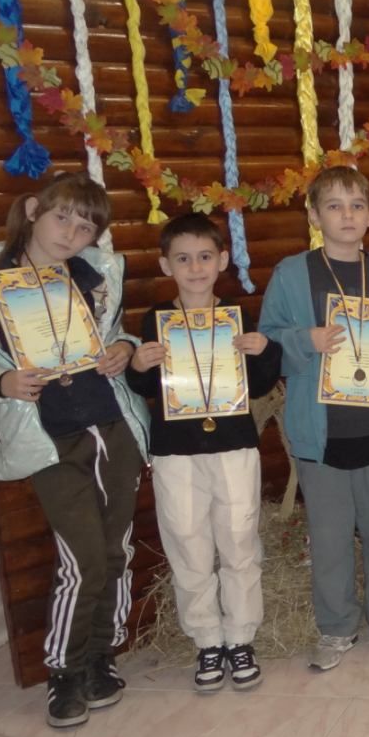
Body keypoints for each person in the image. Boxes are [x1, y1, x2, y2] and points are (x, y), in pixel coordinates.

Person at [0, 172, 148, 728]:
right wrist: (0, 381)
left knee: (115, 550)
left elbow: (118, 334)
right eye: (62, 218)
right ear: (33, 210)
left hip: (112, 429)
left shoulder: (95, 274)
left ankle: (101, 656)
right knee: (83, 558)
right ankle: (65, 669)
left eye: (86, 228)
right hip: (49, 439)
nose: (71, 234)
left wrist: (123, 348)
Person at [260, 166, 369, 671]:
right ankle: (335, 627)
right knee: (331, 541)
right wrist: (304, 340)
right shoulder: (293, 274)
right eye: (334, 206)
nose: (347, 215)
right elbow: (268, 342)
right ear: (314, 216)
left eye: (356, 205)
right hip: (322, 433)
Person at [125, 213, 283, 692]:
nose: (195, 268)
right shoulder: (156, 320)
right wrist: (138, 365)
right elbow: (144, 387)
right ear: (165, 265)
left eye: (205, 257)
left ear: (223, 260)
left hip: (233, 445)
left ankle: (240, 637)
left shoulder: (237, 316)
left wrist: (263, 350)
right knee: (187, 541)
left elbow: (259, 385)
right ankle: (207, 640)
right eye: (183, 259)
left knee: (238, 540)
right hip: (176, 451)